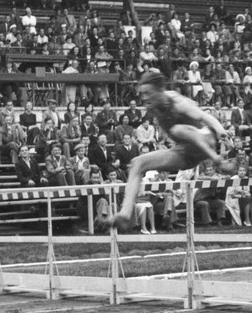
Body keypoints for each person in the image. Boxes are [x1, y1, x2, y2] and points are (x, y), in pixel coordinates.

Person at [96, 70, 236, 232]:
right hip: (185, 153)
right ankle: (125, 214)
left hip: (205, 141)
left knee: (177, 129)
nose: (144, 98)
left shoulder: (176, 101)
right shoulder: (154, 107)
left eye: (148, 93)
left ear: (160, 90)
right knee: (138, 163)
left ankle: (217, 159)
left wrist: (221, 131)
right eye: (142, 94)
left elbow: (205, 117)